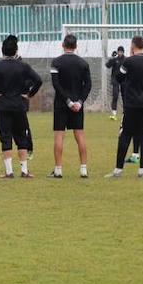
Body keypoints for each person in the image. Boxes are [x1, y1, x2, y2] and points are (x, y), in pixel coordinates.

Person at [0, 35, 43, 179]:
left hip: (3, 106)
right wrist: (30, 94)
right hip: (19, 106)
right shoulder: (24, 66)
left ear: (2, 51)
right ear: (16, 51)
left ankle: (9, 172)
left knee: (5, 137)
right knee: (21, 137)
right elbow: (38, 80)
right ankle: (24, 171)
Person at [106, 36, 143, 178]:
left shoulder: (129, 62)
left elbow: (119, 77)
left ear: (133, 46)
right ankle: (142, 170)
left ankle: (118, 170)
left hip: (131, 103)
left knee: (125, 135)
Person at [49, 34, 92, 179]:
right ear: (76, 46)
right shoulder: (83, 64)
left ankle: (58, 169)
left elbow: (56, 84)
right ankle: (84, 169)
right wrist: (79, 101)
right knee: (80, 136)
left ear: (63, 45)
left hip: (61, 104)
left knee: (59, 136)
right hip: (77, 106)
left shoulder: (56, 62)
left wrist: (68, 101)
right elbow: (88, 85)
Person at [105, 45, 125, 120]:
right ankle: (114, 113)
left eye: (121, 52)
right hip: (115, 79)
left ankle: (125, 112)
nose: (120, 53)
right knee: (115, 95)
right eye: (119, 51)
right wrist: (112, 58)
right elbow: (107, 65)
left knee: (124, 96)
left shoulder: (125, 59)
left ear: (123, 52)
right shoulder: (115, 59)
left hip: (123, 80)